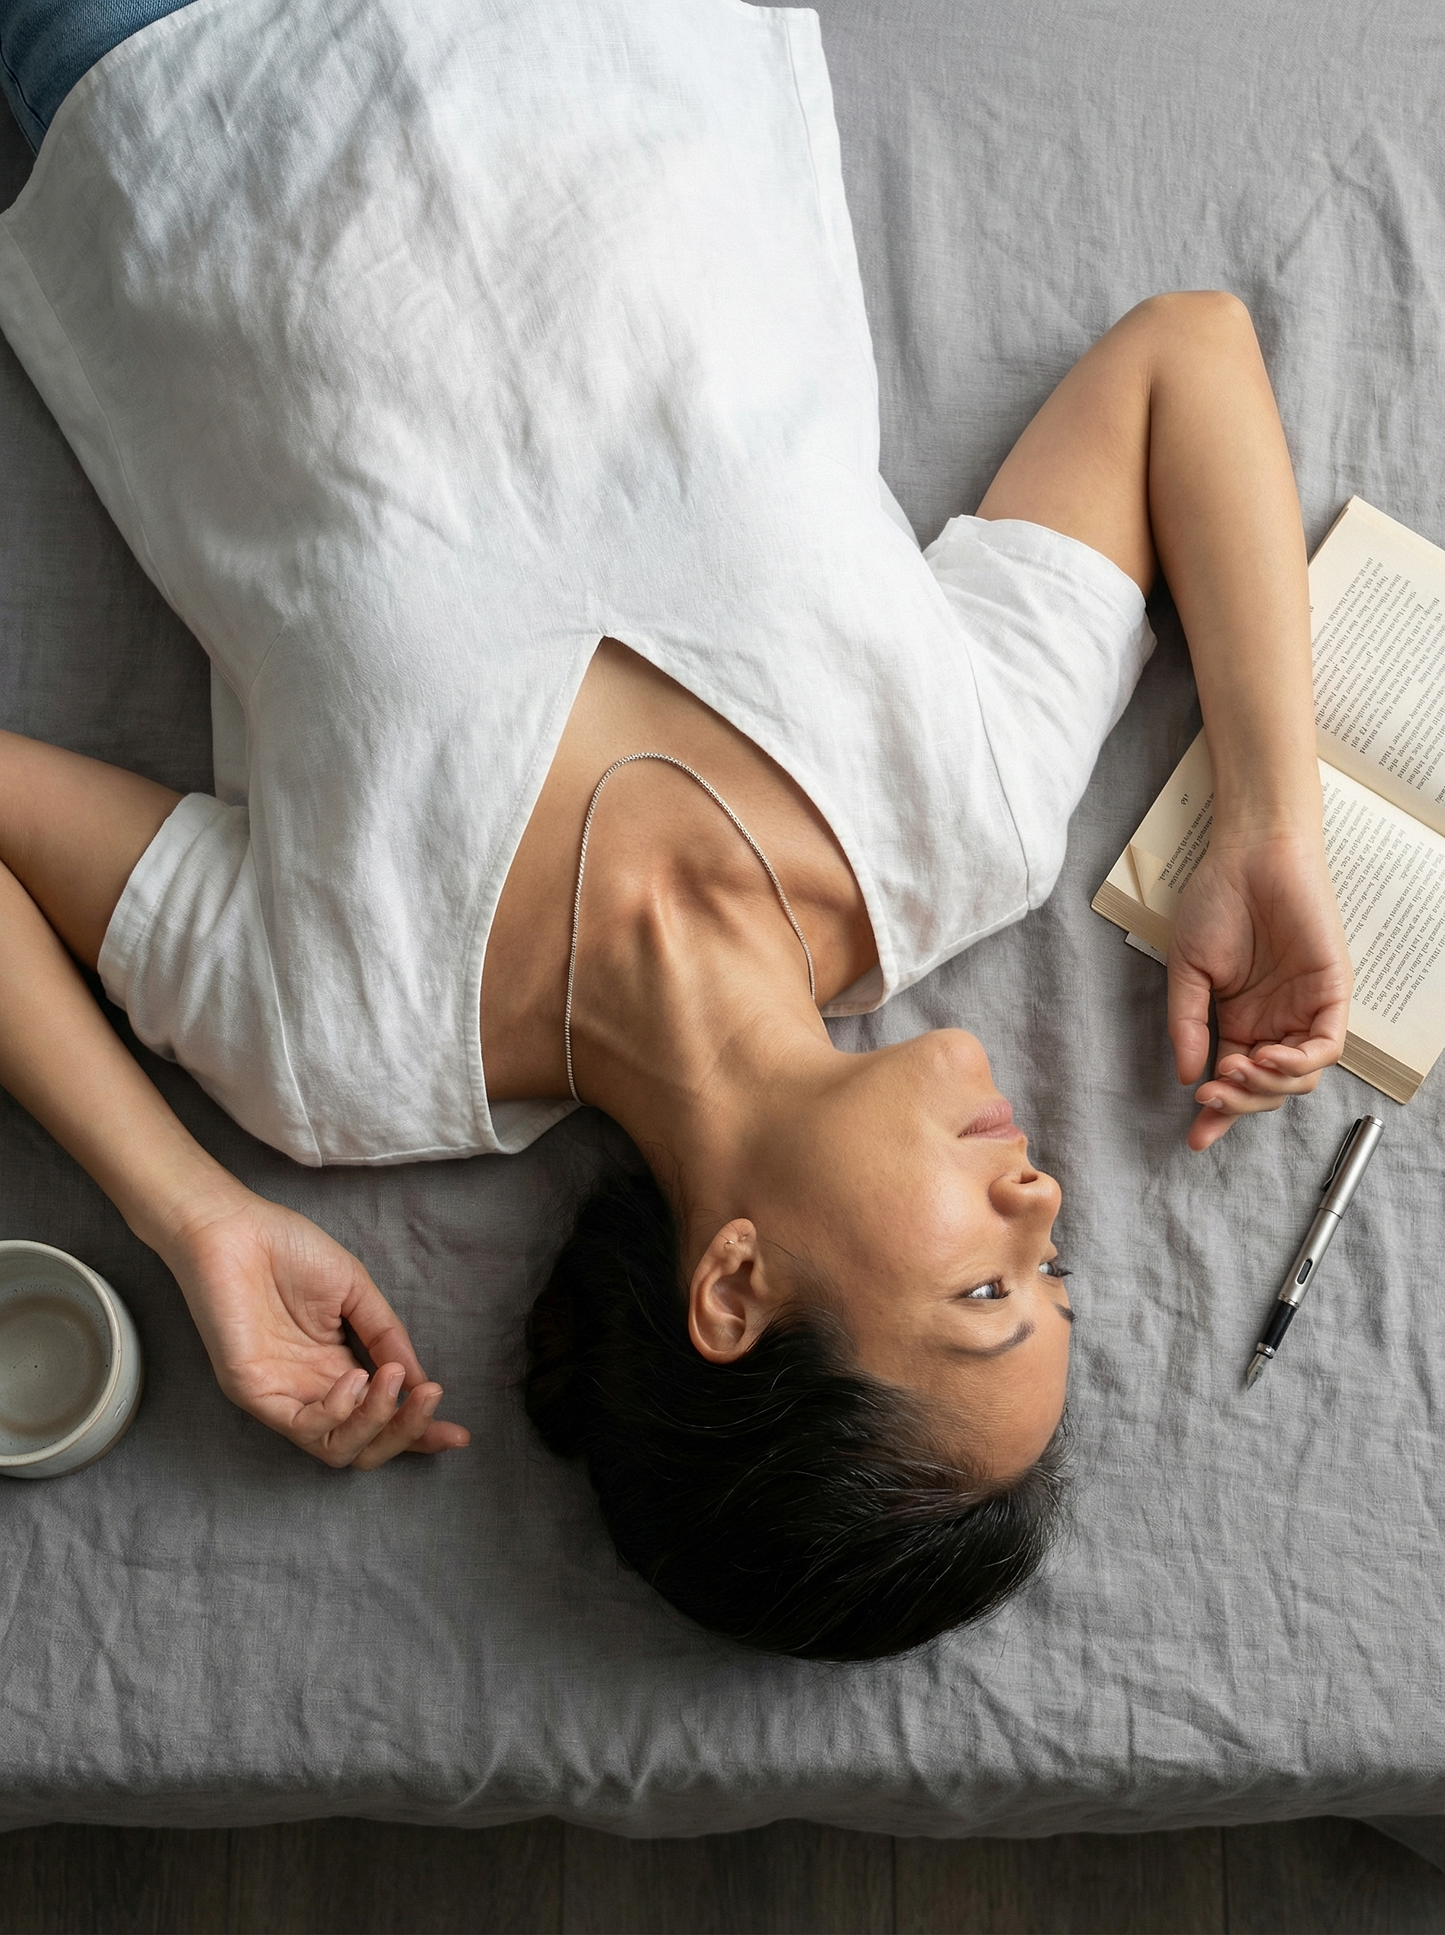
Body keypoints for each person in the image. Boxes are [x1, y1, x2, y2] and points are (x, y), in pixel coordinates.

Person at [0, 0, 1350, 1657]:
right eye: (1052, 1272)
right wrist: (1269, 825)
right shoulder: (970, 815)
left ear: (733, 1289)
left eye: (990, 1292)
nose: (1048, 1206)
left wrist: (187, 1209)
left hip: (165, 49)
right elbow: (1188, 357)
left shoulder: (339, 1045)